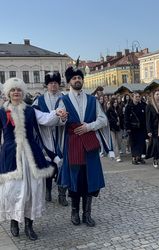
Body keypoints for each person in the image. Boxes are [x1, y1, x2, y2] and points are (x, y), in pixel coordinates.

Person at [0, 78, 67, 240]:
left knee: (32, 190)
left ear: (23, 93)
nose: (16, 92)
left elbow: (46, 118)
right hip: (11, 155)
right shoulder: (2, 112)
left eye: (19, 90)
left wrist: (58, 114)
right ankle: (14, 221)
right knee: (12, 190)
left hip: (31, 155)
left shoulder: (30, 110)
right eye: (13, 90)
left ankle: (29, 225)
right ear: (8, 93)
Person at [57, 66, 107, 227]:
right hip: (73, 143)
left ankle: (87, 214)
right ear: (69, 82)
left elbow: (103, 120)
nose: (77, 80)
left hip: (90, 144)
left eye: (79, 78)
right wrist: (62, 119)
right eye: (74, 78)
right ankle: (74, 212)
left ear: (82, 80)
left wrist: (89, 126)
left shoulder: (92, 100)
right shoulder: (63, 100)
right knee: (75, 179)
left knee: (89, 178)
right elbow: (59, 121)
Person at [32, 72, 68, 206]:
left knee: (63, 165)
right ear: (46, 85)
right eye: (51, 83)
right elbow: (35, 119)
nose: (53, 85)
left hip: (61, 137)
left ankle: (62, 194)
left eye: (56, 83)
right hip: (44, 138)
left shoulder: (64, 99)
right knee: (48, 165)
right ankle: (47, 190)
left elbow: (65, 118)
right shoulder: (39, 100)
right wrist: (54, 118)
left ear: (59, 84)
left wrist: (61, 119)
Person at [124, 91, 147, 165]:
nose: (138, 98)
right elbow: (126, 118)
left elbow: (145, 117)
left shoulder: (143, 105)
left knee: (141, 143)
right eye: (136, 97)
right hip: (132, 128)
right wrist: (128, 128)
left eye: (138, 97)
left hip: (141, 128)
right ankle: (134, 158)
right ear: (132, 97)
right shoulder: (129, 107)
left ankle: (139, 157)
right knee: (133, 143)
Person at [106, 97, 123, 162]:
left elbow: (122, 117)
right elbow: (108, 119)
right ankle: (117, 156)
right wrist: (115, 121)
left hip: (119, 128)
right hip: (112, 128)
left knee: (119, 140)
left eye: (116, 102)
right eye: (114, 102)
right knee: (114, 142)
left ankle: (117, 151)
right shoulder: (109, 110)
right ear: (112, 103)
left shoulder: (119, 109)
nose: (116, 103)